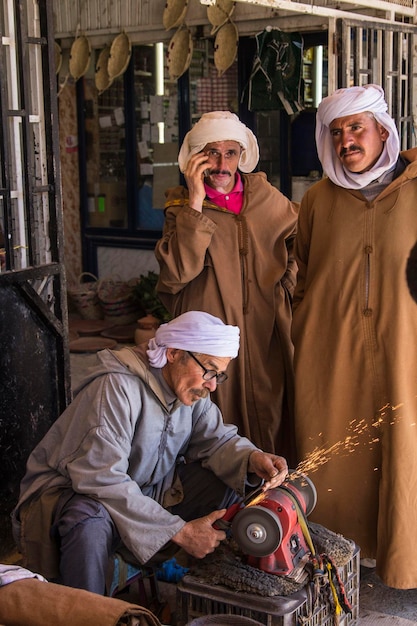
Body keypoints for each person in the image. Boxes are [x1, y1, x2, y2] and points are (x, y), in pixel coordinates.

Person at [12, 311, 288, 595]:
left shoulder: (192, 392)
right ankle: (89, 608)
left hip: (139, 491)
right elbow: (101, 480)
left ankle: (181, 580)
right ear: (174, 353)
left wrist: (253, 459)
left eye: (219, 375)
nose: (212, 385)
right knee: (88, 519)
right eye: (208, 370)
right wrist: (179, 531)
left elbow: (216, 441)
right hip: (72, 498)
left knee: (226, 479)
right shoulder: (116, 388)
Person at [292, 83, 417, 589]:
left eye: (356, 127)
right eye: (337, 131)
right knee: (336, 451)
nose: (346, 139)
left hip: (406, 347)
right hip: (331, 351)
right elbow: (301, 273)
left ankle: (405, 559)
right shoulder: (319, 200)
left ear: (382, 130)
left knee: (406, 451)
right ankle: (336, 561)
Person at [154, 111, 298, 458]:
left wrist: (286, 285)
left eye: (230, 153)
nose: (221, 164)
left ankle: (272, 496)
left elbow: (301, 240)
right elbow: (176, 274)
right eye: (210, 153)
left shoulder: (265, 197)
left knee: (273, 409)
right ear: (194, 159)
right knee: (215, 418)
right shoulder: (180, 208)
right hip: (211, 338)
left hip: (265, 330)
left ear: (241, 157)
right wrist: (195, 201)